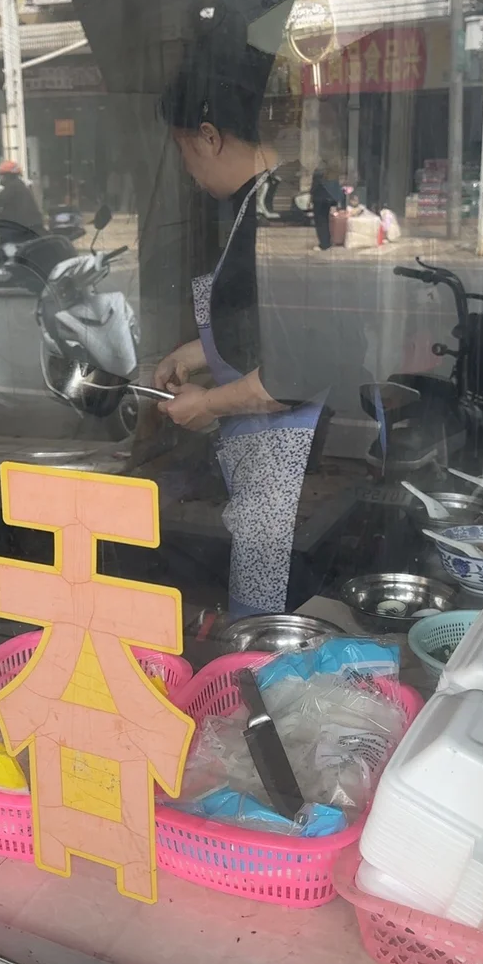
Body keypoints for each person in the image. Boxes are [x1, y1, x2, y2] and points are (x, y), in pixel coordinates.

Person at [154, 44, 328, 617]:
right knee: (260, 582)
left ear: (209, 137)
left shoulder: (274, 215)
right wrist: (196, 353)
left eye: (184, 150)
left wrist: (207, 404)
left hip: (284, 452)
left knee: (272, 604)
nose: (188, 169)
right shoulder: (263, 198)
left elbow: (292, 373)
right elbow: (263, 328)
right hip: (265, 455)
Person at [310, 167, 337, 250]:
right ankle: (327, 242)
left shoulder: (317, 183)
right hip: (326, 203)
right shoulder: (328, 182)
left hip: (319, 204)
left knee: (320, 224)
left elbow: (313, 191)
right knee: (326, 223)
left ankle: (324, 244)